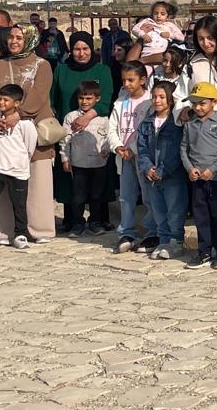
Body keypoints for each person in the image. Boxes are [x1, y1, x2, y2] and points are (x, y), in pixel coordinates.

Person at [0, 26, 58, 243]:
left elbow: (39, 95)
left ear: (30, 39)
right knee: (3, 184)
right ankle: (5, 231)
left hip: (32, 129)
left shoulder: (42, 65)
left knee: (36, 182)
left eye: (19, 37)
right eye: (11, 37)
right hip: (3, 132)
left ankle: (38, 229)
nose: (13, 41)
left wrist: (19, 114)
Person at [52, 33, 113, 233]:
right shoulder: (61, 70)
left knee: (98, 181)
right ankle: (72, 219)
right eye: (77, 49)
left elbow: (106, 100)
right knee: (71, 180)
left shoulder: (102, 70)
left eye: (85, 48)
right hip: (69, 131)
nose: (81, 53)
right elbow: (53, 100)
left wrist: (87, 117)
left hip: (96, 130)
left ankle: (100, 218)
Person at [181, 81, 217, 270]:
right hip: (197, 179)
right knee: (201, 216)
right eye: (194, 103)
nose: (198, 107)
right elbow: (184, 148)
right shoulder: (190, 124)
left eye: (202, 103)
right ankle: (204, 251)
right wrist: (189, 168)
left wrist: (213, 169)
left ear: (213, 102)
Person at [0, 85, 36, 251]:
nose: (1, 102)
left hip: (18, 170)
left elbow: (30, 145)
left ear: (17, 103)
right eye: (0, 99)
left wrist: (21, 160)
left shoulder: (26, 124)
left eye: (6, 100)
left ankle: (20, 234)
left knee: (19, 205)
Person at [109, 61, 156, 253]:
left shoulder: (150, 102)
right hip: (124, 155)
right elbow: (111, 127)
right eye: (124, 80)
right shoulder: (121, 102)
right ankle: (127, 232)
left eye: (131, 80)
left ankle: (152, 231)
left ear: (143, 80)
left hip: (142, 155)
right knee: (126, 196)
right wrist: (118, 146)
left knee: (148, 195)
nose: (127, 84)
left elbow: (147, 129)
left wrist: (134, 149)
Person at [137, 81, 187, 260]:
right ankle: (163, 239)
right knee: (158, 210)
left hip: (172, 175)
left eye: (161, 97)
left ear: (171, 100)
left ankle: (176, 240)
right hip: (152, 176)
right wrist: (146, 167)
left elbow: (177, 150)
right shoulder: (146, 123)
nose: (157, 100)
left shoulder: (176, 124)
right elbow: (142, 149)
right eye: (154, 97)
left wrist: (163, 170)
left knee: (175, 209)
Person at [61, 79, 112, 235]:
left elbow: (109, 137)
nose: (84, 101)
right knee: (78, 196)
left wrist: (106, 149)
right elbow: (65, 139)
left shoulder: (103, 118)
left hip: (98, 163)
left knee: (96, 195)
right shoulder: (71, 117)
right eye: (81, 98)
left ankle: (95, 222)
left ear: (97, 99)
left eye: (89, 98)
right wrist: (65, 158)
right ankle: (78, 223)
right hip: (78, 163)